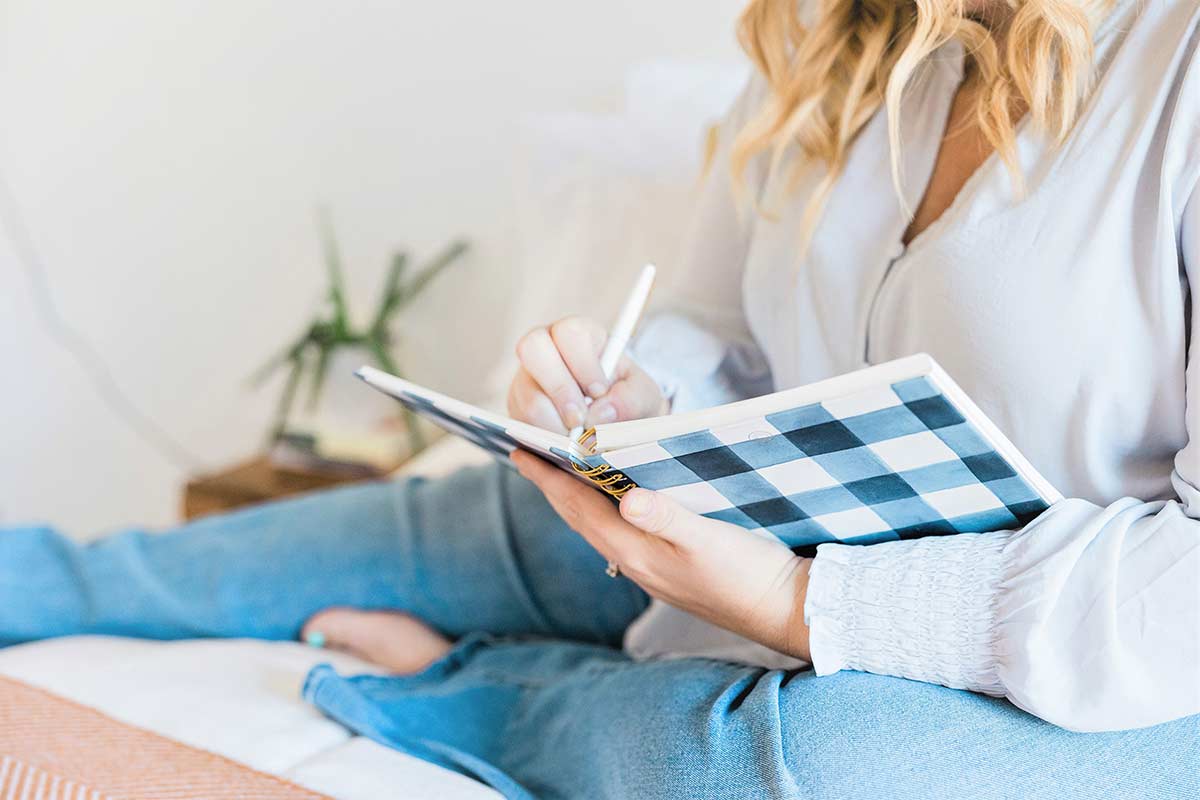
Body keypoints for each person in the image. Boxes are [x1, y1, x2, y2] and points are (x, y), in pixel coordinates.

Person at [4, 0, 1199, 797]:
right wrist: (633, 397)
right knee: (213, 561)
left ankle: (470, 688)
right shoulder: (846, 39)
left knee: (792, 766)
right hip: (758, 540)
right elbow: (721, 328)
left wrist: (803, 604)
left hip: (1112, 663)